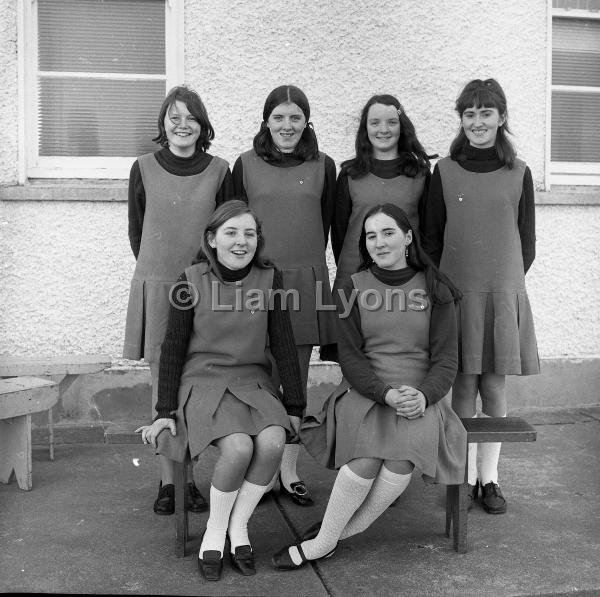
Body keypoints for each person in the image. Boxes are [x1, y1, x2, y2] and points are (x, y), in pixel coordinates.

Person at [272, 204, 466, 569]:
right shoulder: (352, 286)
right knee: (364, 460)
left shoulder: (436, 287)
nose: (379, 242)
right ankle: (324, 541)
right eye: (371, 235)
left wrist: (422, 395)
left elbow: (446, 361)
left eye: (388, 232)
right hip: (366, 390)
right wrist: (385, 393)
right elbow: (351, 357)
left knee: (398, 459)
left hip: (420, 394)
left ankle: (330, 537)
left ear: (408, 237)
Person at [137, 200, 305, 581]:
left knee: (274, 442)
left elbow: (283, 342)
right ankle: (216, 530)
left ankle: (238, 525)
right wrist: (164, 410)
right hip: (204, 383)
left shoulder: (269, 278)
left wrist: (295, 402)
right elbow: (173, 348)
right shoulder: (189, 279)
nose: (241, 241)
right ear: (212, 239)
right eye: (231, 233)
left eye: (249, 233)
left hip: (253, 382)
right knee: (240, 448)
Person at [422, 78, 539, 514]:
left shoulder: (519, 172)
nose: (477, 121)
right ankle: (463, 477)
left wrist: (502, 286)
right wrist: (446, 287)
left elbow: (526, 242)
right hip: (457, 294)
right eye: (469, 114)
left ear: (501, 117)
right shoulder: (446, 170)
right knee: (462, 385)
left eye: (485, 113)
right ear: (462, 120)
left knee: (494, 385)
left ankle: (490, 479)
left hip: (501, 294)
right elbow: (431, 238)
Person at [124, 85, 233, 516]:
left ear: (202, 125)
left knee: (195, 384)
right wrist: (158, 276)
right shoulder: (144, 167)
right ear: (163, 124)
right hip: (157, 287)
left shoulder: (220, 170)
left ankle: (191, 480)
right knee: (162, 387)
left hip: (202, 289)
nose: (182, 124)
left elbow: (226, 231)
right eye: (174, 117)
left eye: (191, 117)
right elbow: (137, 230)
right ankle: (169, 483)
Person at [232, 84, 337, 506]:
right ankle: (258, 472)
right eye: (279, 117)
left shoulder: (324, 166)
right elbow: (234, 223)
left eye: (295, 118)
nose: (287, 126)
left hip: (305, 283)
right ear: (266, 121)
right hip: (258, 281)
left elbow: (328, 223)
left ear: (306, 122)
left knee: (296, 378)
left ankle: (289, 471)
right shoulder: (244, 165)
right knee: (259, 376)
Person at [332, 94, 431, 293]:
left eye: (392, 122)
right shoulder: (350, 175)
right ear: (365, 128)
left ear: (401, 126)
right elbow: (339, 233)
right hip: (354, 278)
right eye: (375, 123)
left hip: (407, 279)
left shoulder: (420, 175)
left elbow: (429, 232)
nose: (383, 129)